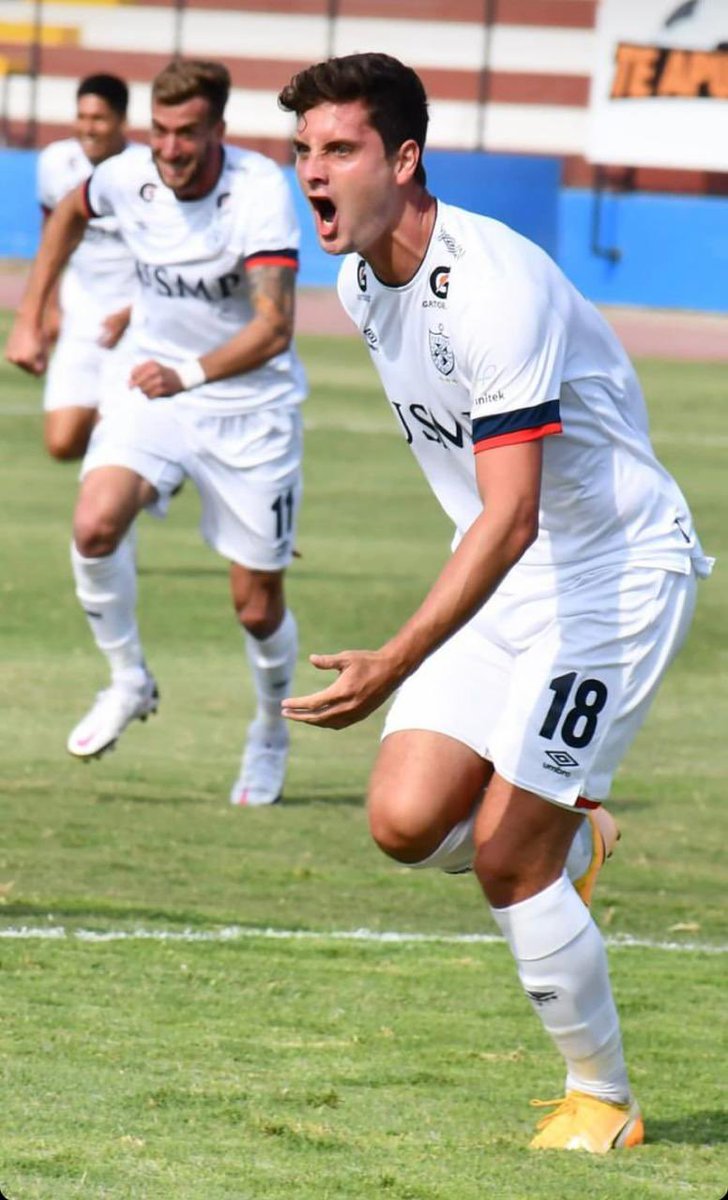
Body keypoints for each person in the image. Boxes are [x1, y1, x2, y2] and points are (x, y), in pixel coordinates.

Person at [277, 53, 712, 1151]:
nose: (312, 175)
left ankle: (600, 1101)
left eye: (338, 150)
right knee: (405, 822)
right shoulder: (359, 282)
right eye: (301, 152)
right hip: (514, 573)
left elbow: (512, 513)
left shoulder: (492, 287)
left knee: (506, 857)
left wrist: (396, 657)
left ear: (405, 158)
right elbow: (495, 519)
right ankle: (577, 840)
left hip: (610, 579)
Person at [6, 58, 307, 807]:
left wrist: (192, 373)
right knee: (95, 523)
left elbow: (274, 329)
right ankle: (128, 678)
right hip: (155, 391)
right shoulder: (129, 175)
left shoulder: (260, 191)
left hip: (249, 410)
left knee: (256, 605)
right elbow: (71, 214)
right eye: (162, 132)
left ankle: (271, 729)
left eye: (189, 134)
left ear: (219, 132)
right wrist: (30, 311)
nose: (171, 150)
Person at [35, 73, 138, 461]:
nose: (88, 128)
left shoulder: (144, 170)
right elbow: (53, 235)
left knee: (117, 448)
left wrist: (134, 311)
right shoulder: (55, 162)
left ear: (121, 121)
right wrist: (49, 306)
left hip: (134, 324)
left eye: (98, 118)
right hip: (80, 313)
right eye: (82, 117)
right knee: (62, 444)